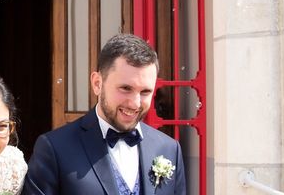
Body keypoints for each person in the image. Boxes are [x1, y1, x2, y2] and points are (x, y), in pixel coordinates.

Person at [22, 34, 186, 195]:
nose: (135, 103)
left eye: (145, 92)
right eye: (125, 88)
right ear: (97, 84)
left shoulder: (169, 149)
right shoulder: (54, 148)